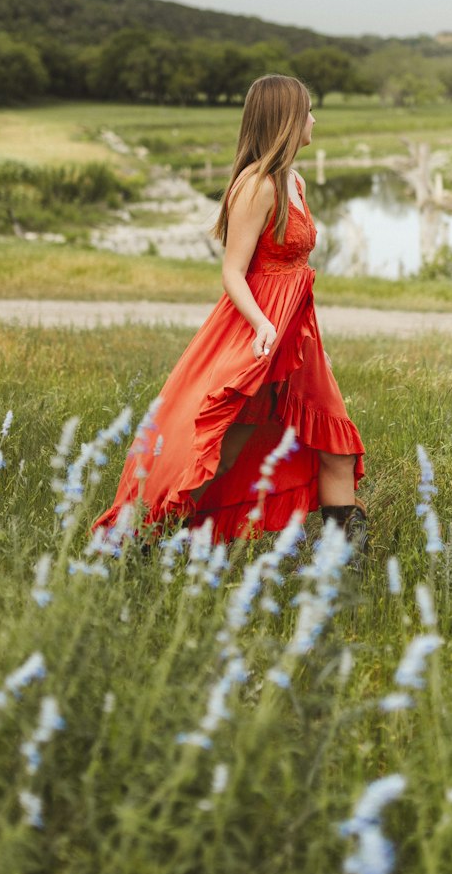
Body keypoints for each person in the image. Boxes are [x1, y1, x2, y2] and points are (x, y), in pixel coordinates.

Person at [92, 73, 366, 547]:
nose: (314, 120)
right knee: (222, 444)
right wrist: (262, 323)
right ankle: (143, 539)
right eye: (307, 112)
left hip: (296, 333)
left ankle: (346, 568)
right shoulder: (257, 185)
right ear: (286, 120)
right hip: (259, 330)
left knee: (336, 446)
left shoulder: (295, 181)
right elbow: (233, 272)